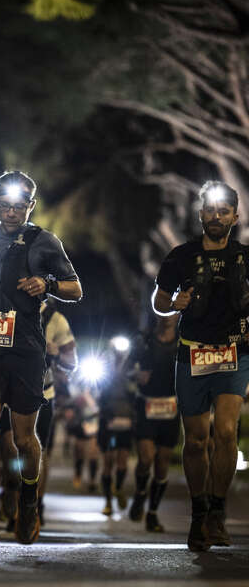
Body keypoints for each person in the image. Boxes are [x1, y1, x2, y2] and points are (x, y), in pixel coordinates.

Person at [0, 170, 82, 550]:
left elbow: (76, 289)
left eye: (18, 207)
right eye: (4, 205)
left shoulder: (45, 241)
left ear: (31, 205)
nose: (10, 213)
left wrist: (48, 285)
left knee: (26, 440)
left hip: (26, 350)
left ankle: (28, 503)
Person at [152, 180, 249, 551]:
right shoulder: (180, 255)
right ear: (200, 215)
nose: (216, 217)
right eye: (210, 210)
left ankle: (217, 514)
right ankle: (198, 513)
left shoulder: (245, 257)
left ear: (234, 217)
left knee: (226, 432)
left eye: (223, 211)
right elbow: (159, 301)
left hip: (234, 355)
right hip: (192, 354)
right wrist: (174, 302)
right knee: (196, 440)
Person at [0, 298, 78, 529]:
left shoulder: (55, 319)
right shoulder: (3, 306)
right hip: (7, 394)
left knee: (40, 452)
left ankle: (34, 506)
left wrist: (57, 354)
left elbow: (72, 363)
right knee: (10, 450)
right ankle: (12, 490)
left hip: (43, 395)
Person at [128, 315, 180, 533]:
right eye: (163, 310)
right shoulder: (144, 339)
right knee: (146, 458)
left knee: (162, 463)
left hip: (171, 406)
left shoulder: (184, 339)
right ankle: (140, 494)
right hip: (147, 404)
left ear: (179, 314)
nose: (167, 315)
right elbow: (124, 369)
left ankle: (152, 513)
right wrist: (136, 374)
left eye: (172, 311)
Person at [96, 338, 135, 516]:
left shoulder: (131, 368)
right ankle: (108, 502)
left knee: (122, 461)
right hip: (109, 422)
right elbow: (98, 390)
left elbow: (136, 392)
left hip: (127, 420)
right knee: (108, 460)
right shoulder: (105, 367)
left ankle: (118, 487)